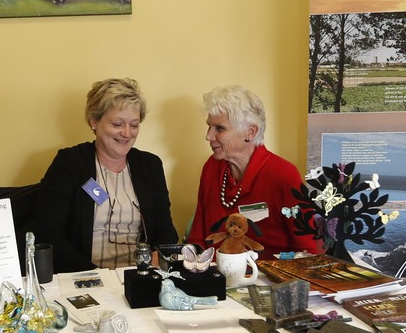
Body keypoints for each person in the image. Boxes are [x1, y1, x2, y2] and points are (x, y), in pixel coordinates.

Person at [33, 78, 176, 271]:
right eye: (117, 124)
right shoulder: (70, 163)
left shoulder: (150, 166)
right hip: (85, 275)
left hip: (138, 274)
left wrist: (155, 259)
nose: (127, 133)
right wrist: (94, 275)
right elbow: (49, 233)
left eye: (134, 125)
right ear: (94, 121)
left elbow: (165, 230)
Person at [185, 85, 323, 259]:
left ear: (250, 132)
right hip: (215, 271)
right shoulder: (211, 167)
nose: (209, 136)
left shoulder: (282, 174)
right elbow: (198, 237)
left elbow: (306, 250)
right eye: (209, 126)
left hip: (267, 273)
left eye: (219, 128)